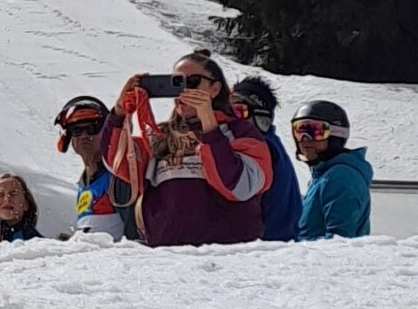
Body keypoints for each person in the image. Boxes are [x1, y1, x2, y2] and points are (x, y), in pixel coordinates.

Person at [104, 52, 273, 247]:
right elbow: (116, 161)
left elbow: (239, 187)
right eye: (175, 83)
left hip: (229, 257)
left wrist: (210, 127)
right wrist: (119, 112)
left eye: (192, 82)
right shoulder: (161, 136)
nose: (183, 92)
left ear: (215, 88)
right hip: (169, 255)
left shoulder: (242, 132)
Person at [232, 75, 303, 243]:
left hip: (266, 247)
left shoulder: (260, 150)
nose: (230, 119)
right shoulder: (270, 144)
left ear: (261, 118)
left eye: (238, 111)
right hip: (277, 243)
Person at [292, 101, 372, 240]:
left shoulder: (340, 177)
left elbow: (339, 242)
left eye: (315, 131)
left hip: (322, 261)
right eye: (299, 130)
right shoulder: (323, 175)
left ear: (336, 135)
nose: (305, 139)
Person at [56, 94, 129, 240]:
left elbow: (135, 229)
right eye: (76, 130)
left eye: (92, 128)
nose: (84, 136)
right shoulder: (83, 183)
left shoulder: (118, 175)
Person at [0, 173, 40, 243]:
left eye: (13, 193)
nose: (7, 199)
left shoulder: (38, 246)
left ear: (26, 203)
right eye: (0, 195)